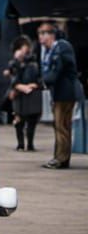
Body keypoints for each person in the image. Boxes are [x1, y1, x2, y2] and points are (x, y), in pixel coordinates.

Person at [38, 22, 79, 169]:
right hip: (60, 93)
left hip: (64, 93)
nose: (40, 38)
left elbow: (56, 72)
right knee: (62, 126)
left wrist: (39, 83)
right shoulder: (52, 50)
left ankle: (60, 159)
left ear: (51, 35)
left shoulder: (61, 48)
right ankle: (61, 157)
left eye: (42, 34)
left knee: (61, 126)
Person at [4, 34, 42, 151]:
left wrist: (34, 85)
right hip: (18, 94)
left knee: (32, 120)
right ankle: (20, 144)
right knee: (18, 120)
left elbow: (38, 78)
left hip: (31, 95)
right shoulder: (14, 63)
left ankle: (30, 143)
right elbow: (13, 78)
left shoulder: (33, 63)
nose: (23, 50)